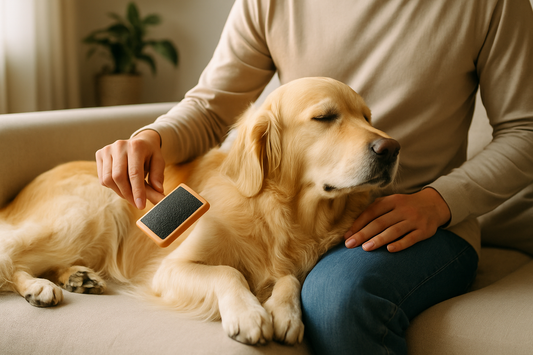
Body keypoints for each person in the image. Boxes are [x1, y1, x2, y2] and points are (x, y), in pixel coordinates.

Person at [96, 0, 533, 354]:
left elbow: (525, 130)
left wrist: (439, 201)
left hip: (427, 218)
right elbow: (213, 108)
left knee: (336, 300)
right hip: (306, 208)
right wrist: (153, 137)